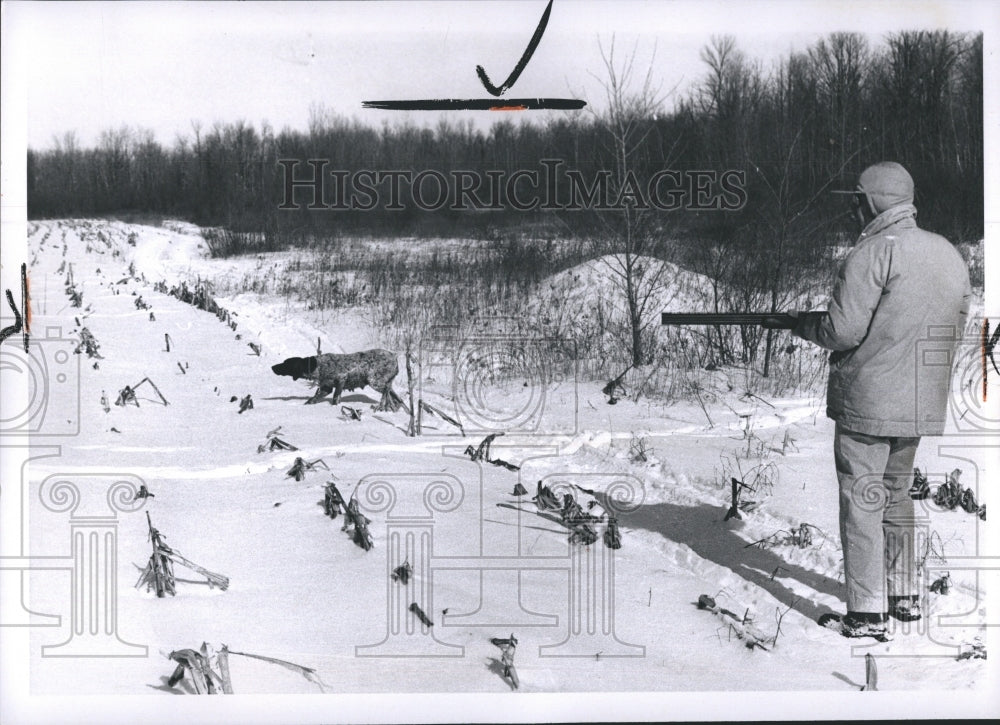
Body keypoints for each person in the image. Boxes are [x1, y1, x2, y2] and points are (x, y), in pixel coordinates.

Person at [775, 162, 972, 638]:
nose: (853, 207)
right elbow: (958, 326)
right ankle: (904, 597)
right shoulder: (948, 253)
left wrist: (806, 326)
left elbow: (841, 331)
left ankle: (865, 612)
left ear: (875, 201)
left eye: (858, 198)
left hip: (868, 401)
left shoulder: (870, 253)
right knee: (897, 496)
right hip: (920, 401)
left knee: (862, 500)